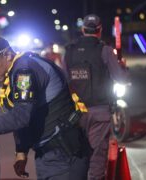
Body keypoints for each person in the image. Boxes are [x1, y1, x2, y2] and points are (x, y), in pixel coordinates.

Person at [0, 34, 89, 179]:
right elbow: (25, 114)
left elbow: (20, 117)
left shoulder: (24, 72)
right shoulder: (17, 70)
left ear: (7, 55)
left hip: (64, 157)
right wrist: (21, 150)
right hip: (50, 154)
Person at [63, 14, 128, 180]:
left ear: (83, 29)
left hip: (75, 114)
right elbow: (120, 78)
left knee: (77, 157)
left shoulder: (69, 52)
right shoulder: (104, 50)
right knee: (97, 160)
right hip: (100, 113)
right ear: (99, 30)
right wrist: (123, 68)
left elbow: (63, 82)